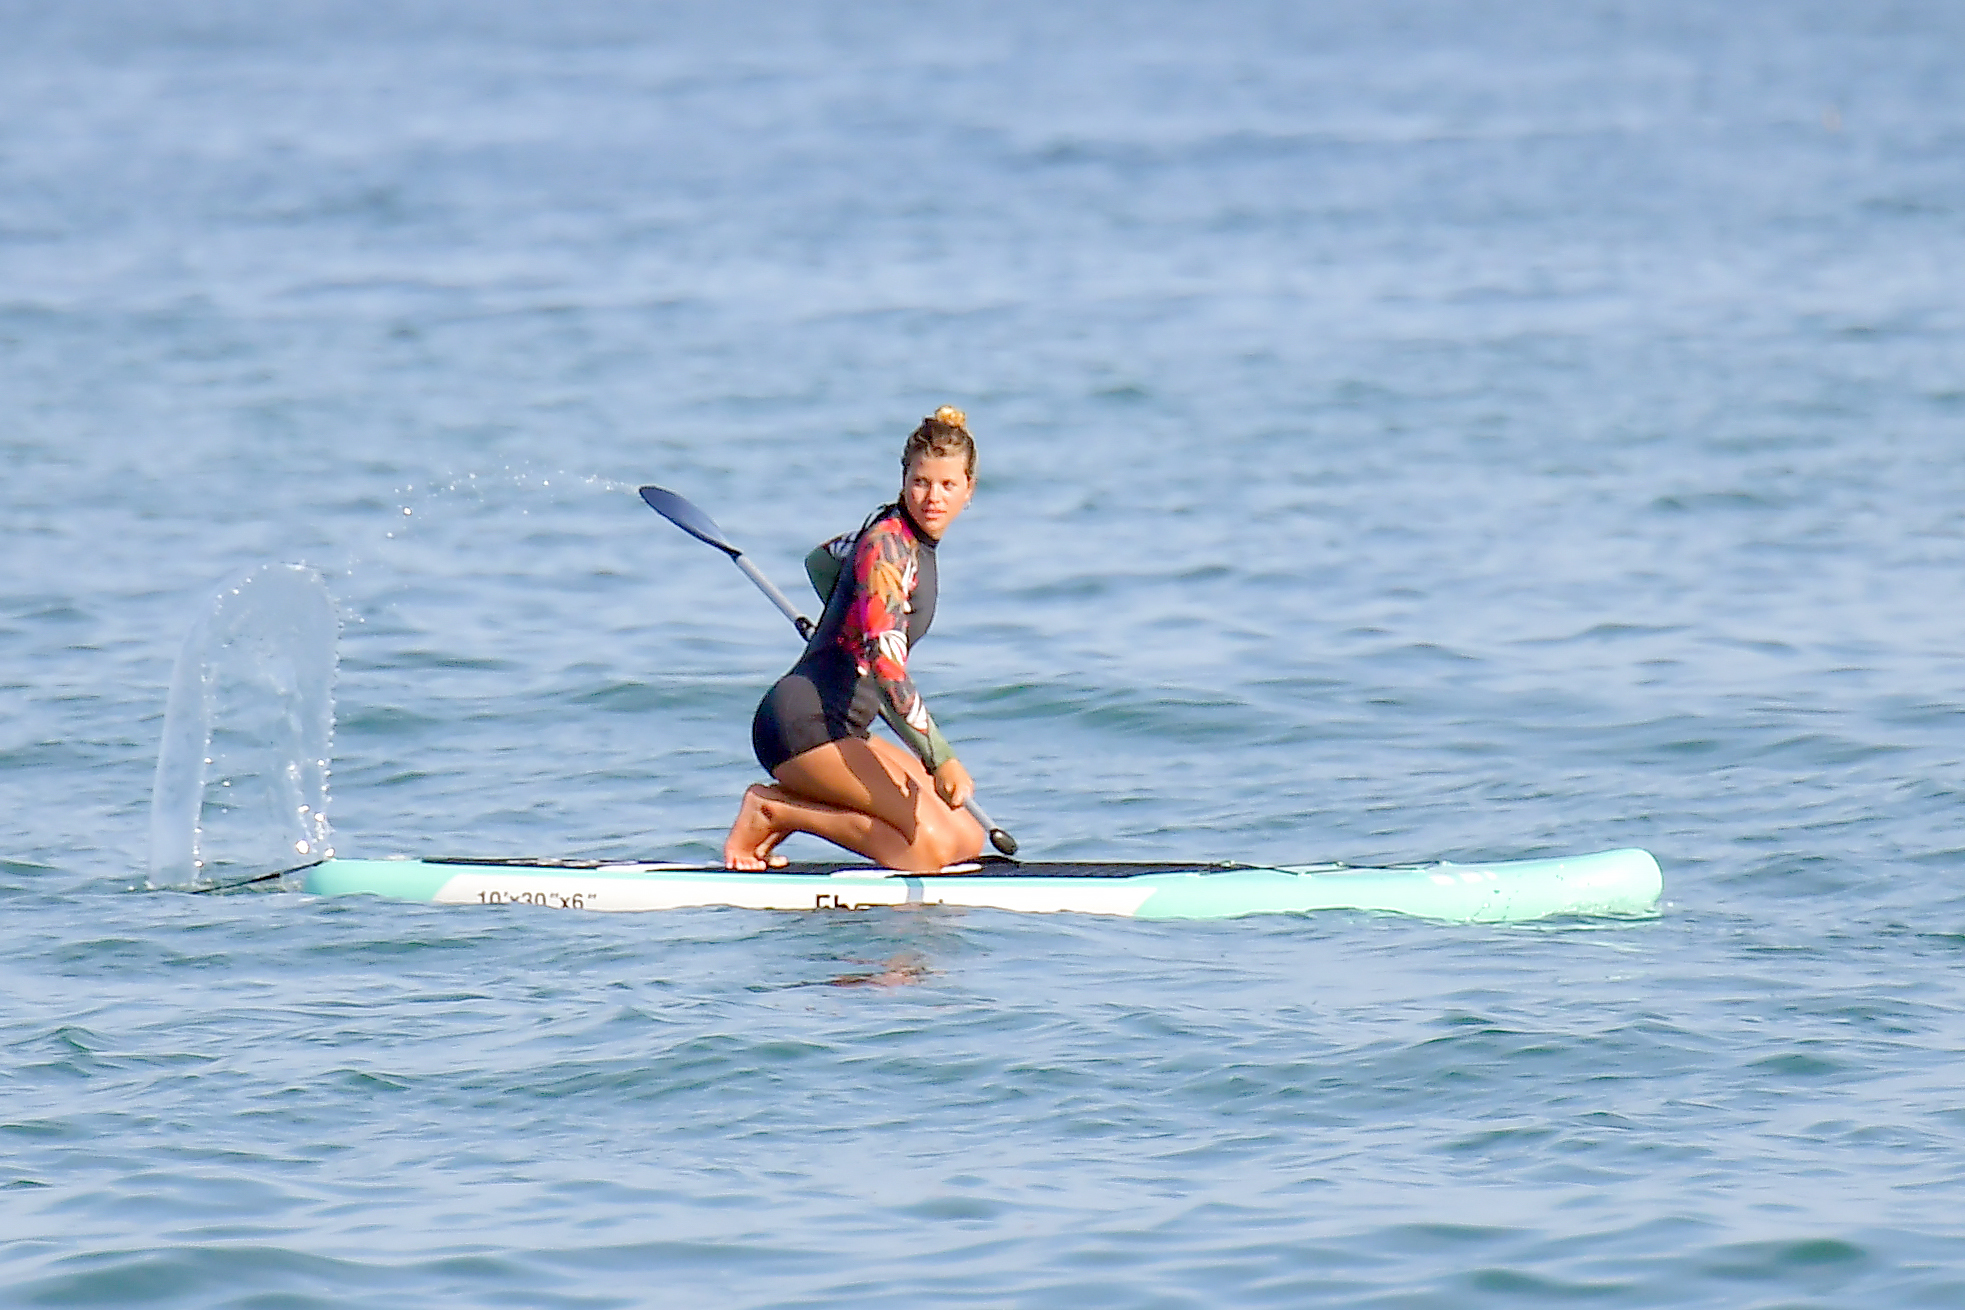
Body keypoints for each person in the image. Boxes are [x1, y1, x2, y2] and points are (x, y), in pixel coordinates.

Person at [722, 406, 987, 872]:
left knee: (965, 836)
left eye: (948, 485)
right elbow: (887, 667)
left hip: (845, 726)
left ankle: (782, 807)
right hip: (802, 726)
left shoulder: (901, 541)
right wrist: (940, 758)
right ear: (904, 479)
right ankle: (774, 810)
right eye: (921, 482)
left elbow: (821, 561)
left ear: (970, 489)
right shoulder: (888, 546)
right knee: (924, 854)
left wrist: (850, 620)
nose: (933, 498)